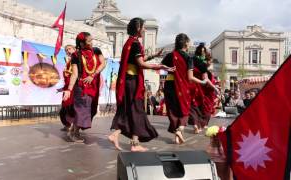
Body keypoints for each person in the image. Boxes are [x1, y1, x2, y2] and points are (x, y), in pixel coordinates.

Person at [108, 17, 175, 152]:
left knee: (132, 110)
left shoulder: (129, 42)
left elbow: (136, 60)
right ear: (138, 28)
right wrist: (160, 66)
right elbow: (140, 64)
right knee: (137, 110)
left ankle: (128, 139)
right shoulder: (136, 44)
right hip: (132, 81)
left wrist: (153, 56)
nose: (144, 30)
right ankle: (133, 142)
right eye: (143, 27)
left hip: (128, 80)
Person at [162, 33, 213, 144]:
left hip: (169, 85)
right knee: (184, 109)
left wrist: (170, 69)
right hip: (180, 87)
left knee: (172, 110)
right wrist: (203, 82)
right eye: (188, 42)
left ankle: (177, 135)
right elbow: (190, 77)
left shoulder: (170, 55)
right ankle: (180, 129)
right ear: (185, 43)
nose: (189, 44)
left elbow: (163, 66)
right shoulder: (188, 58)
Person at [63, 32, 106, 142]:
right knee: (82, 110)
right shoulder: (76, 55)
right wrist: (69, 89)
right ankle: (74, 133)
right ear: (81, 44)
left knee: (89, 109)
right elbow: (75, 74)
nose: (91, 43)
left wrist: (93, 74)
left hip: (93, 85)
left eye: (92, 40)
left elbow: (103, 63)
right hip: (81, 86)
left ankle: (74, 130)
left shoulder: (96, 51)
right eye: (89, 41)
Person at [190, 45, 218, 133]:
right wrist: (214, 88)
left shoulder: (193, 61)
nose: (210, 63)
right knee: (201, 107)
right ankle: (199, 125)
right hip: (200, 89)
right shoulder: (201, 65)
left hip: (194, 87)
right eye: (210, 61)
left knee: (194, 107)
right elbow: (206, 79)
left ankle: (197, 125)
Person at [58, 45, 76, 132]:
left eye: (69, 49)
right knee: (64, 107)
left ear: (74, 49)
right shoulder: (69, 61)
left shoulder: (77, 61)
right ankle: (67, 124)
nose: (68, 51)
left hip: (73, 88)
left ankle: (72, 126)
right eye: (66, 50)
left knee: (70, 106)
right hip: (67, 87)